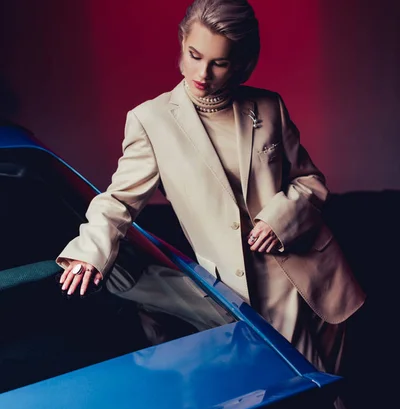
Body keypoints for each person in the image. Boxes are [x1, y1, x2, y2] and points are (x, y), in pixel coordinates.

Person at [57, 0, 365, 378]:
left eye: (219, 62)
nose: (203, 73)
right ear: (182, 43)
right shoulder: (151, 121)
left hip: (315, 276)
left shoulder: (269, 107)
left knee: (337, 394)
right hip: (245, 292)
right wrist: (89, 252)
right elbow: (119, 200)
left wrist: (278, 219)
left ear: (240, 63)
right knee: (301, 398)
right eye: (194, 55)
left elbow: (310, 181)